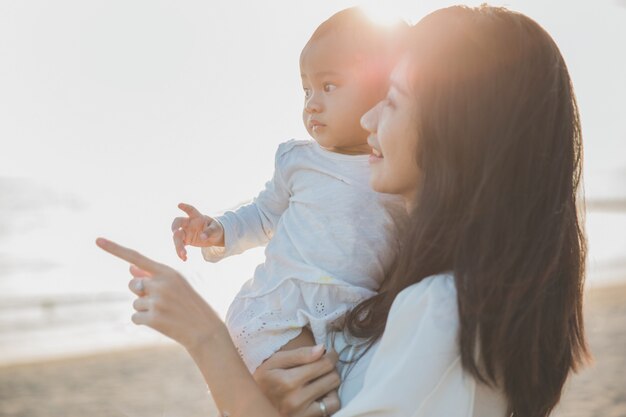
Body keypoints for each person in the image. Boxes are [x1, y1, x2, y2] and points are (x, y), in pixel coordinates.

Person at [96, 5, 589, 417]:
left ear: (455, 132)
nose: (369, 117)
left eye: (391, 101)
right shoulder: (455, 296)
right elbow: (265, 213)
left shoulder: (440, 310)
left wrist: (206, 339)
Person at [169, 7, 409, 375]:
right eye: (306, 89)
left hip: (353, 316)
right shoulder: (300, 160)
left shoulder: (396, 171)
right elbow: (265, 214)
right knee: (302, 381)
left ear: (381, 88)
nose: (312, 102)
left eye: (329, 86)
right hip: (283, 310)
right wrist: (219, 229)